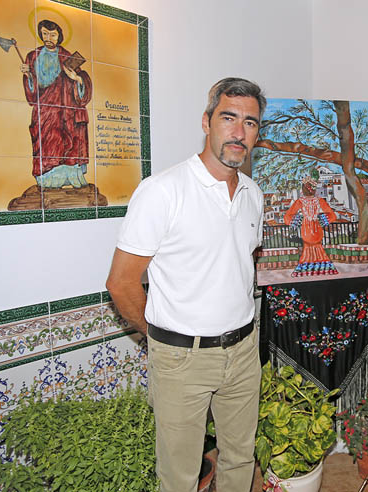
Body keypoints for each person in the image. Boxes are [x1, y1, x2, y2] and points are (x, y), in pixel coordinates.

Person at [105, 77, 266, 492]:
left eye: (250, 123)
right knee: (178, 476)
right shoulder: (162, 191)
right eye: (228, 118)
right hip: (182, 358)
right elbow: (121, 283)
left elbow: (237, 264)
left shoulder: (254, 194)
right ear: (207, 121)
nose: (238, 131)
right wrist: (161, 338)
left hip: (244, 351)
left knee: (240, 458)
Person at [21, 19, 93, 188]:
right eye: (45, 34)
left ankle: (69, 178)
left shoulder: (67, 56)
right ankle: (47, 182)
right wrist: (28, 76)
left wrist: (77, 79)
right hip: (44, 110)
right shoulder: (33, 56)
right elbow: (32, 93)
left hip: (64, 112)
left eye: (53, 35)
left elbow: (82, 81)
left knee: (67, 145)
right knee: (45, 144)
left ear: (59, 36)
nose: (48, 38)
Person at [283, 175, 338, 276]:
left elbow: (332, 215)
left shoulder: (309, 201)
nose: (309, 190)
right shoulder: (305, 201)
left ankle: (308, 269)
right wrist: (299, 220)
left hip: (312, 227)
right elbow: (287, 217)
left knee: (313, 247)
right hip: (310, 228)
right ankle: (321, 269)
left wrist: (300, 220)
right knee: (311, 247)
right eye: (308, 187)